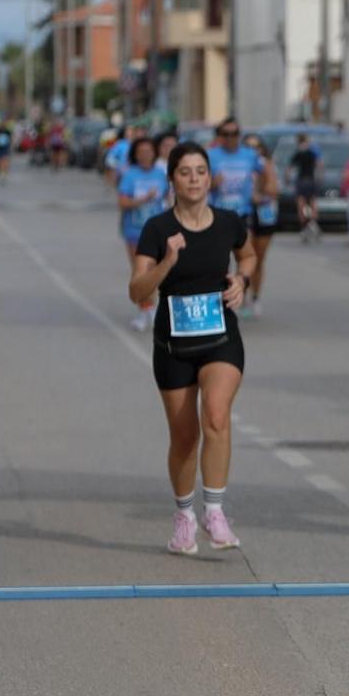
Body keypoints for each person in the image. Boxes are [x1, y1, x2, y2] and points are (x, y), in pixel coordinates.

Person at [129, 141, 258, 555]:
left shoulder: (228, 222)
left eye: (201, 171)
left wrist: (242, 280)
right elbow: (137, 291)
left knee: (217, 417)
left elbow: (249, 255)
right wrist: (166, 262)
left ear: (209, 176)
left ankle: (215, 512)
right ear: (172, 180)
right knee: (184, 437)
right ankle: (185, 515)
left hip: (221, 338)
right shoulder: (156, 229)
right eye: (185, 172)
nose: (194, 179)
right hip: (173, 345)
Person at [117, 136, 171, 331]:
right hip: (134, 230)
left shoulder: (161, 174)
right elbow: (123, 202)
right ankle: (144, 311)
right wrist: (142, 199)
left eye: (149, 152)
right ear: (136, 155)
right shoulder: (129, 175)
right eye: (141, 152)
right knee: (140, 272)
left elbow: (168, 198)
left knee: (156, 271)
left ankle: (153, 308)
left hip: (157, 231)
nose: (145, 156)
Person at [243, 134, 280, 315]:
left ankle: (255, 296)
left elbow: (274, 190)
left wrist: (261, 182)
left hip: (264, 215)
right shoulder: (240, 164)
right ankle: (241, 296)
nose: (253, 150)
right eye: (249, 146)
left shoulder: (266, 165)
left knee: (259, 258)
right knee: (244, 256)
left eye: (256, 147)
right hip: (245, 214)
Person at [289, 133, 322, 241]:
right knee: (313, 202)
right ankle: (313, 223)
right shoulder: (312, 152)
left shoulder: (298, 153)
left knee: (301, 204)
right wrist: (320, 177)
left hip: (301, 180)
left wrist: (287, 179)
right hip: (311, 180)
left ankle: (304, 227)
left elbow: (290, 168)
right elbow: (319, 164)